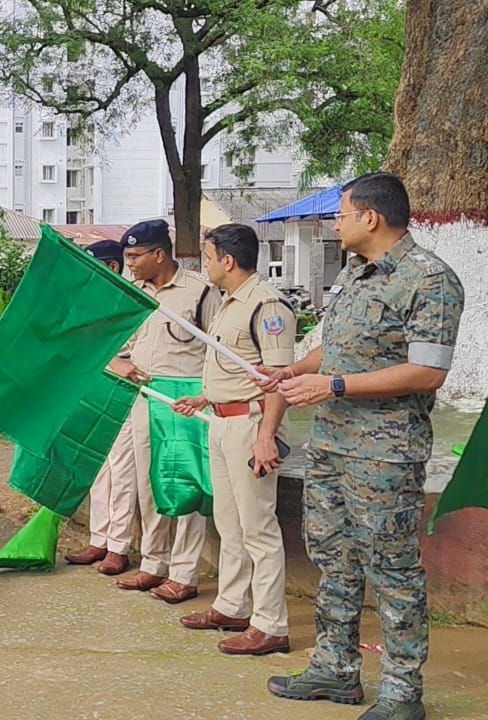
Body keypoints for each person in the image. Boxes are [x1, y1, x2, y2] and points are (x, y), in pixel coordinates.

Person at [261, 173, 463, 720]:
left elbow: (427, 372)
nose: (336, 224)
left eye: (342, 214)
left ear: (370, 218)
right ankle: (336, 669)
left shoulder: (429, 280)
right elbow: (334, 349)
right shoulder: (354, 276)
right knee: (335, 560)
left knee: (391, 568)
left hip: (385, 456)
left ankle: (401, 692)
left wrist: (335, 386)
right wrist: (284, 373)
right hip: (331, 447)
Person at [172, 224, 296, 657]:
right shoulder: (227, 304)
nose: (204, 264)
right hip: (221, 423)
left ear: (227, 260)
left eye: (207, 257)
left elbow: (277, 382)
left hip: (250, 426)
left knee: (258, 528)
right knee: (228, 524)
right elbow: (237, 367)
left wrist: (266, 438)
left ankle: (271, 624)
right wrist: (205, 397)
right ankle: (232, 605)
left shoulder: (267, 306)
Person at [112, 219, 219, 604]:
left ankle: (185, 573)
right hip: (145, 397)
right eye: (127, 257)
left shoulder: (200, 293)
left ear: (160, 254)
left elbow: (217, 352)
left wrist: (208, 397)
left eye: (136, 256)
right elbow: (112, 345)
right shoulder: (134, 294)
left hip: (186, 401)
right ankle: (153, 563)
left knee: (185, 485)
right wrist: (117, 364)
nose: (130, 264)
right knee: (148, 484)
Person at [65, 240, 136, 575]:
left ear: (112, 268)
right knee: (99, 470)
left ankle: (118, 547)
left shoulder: (134, 303)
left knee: (122, 472)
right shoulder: (94, 303)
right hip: (96, 390)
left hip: (126, 393)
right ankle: (99, 539)